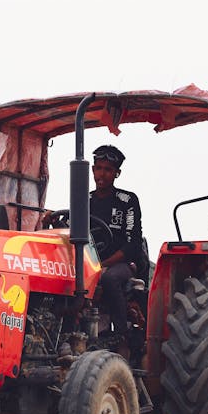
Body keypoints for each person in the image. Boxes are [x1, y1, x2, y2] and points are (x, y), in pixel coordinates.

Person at [87, 144, 144, 341]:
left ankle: (122, 335)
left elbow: (133, 244)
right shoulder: (85, 201)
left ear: (116, 173)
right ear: (92, 170)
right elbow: (72, 230)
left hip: (122, 263)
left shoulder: (127, 201)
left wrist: (103, 265)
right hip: (90, 263)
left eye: (108, 170)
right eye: (99, 168)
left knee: (109, 279)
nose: (102, 174)